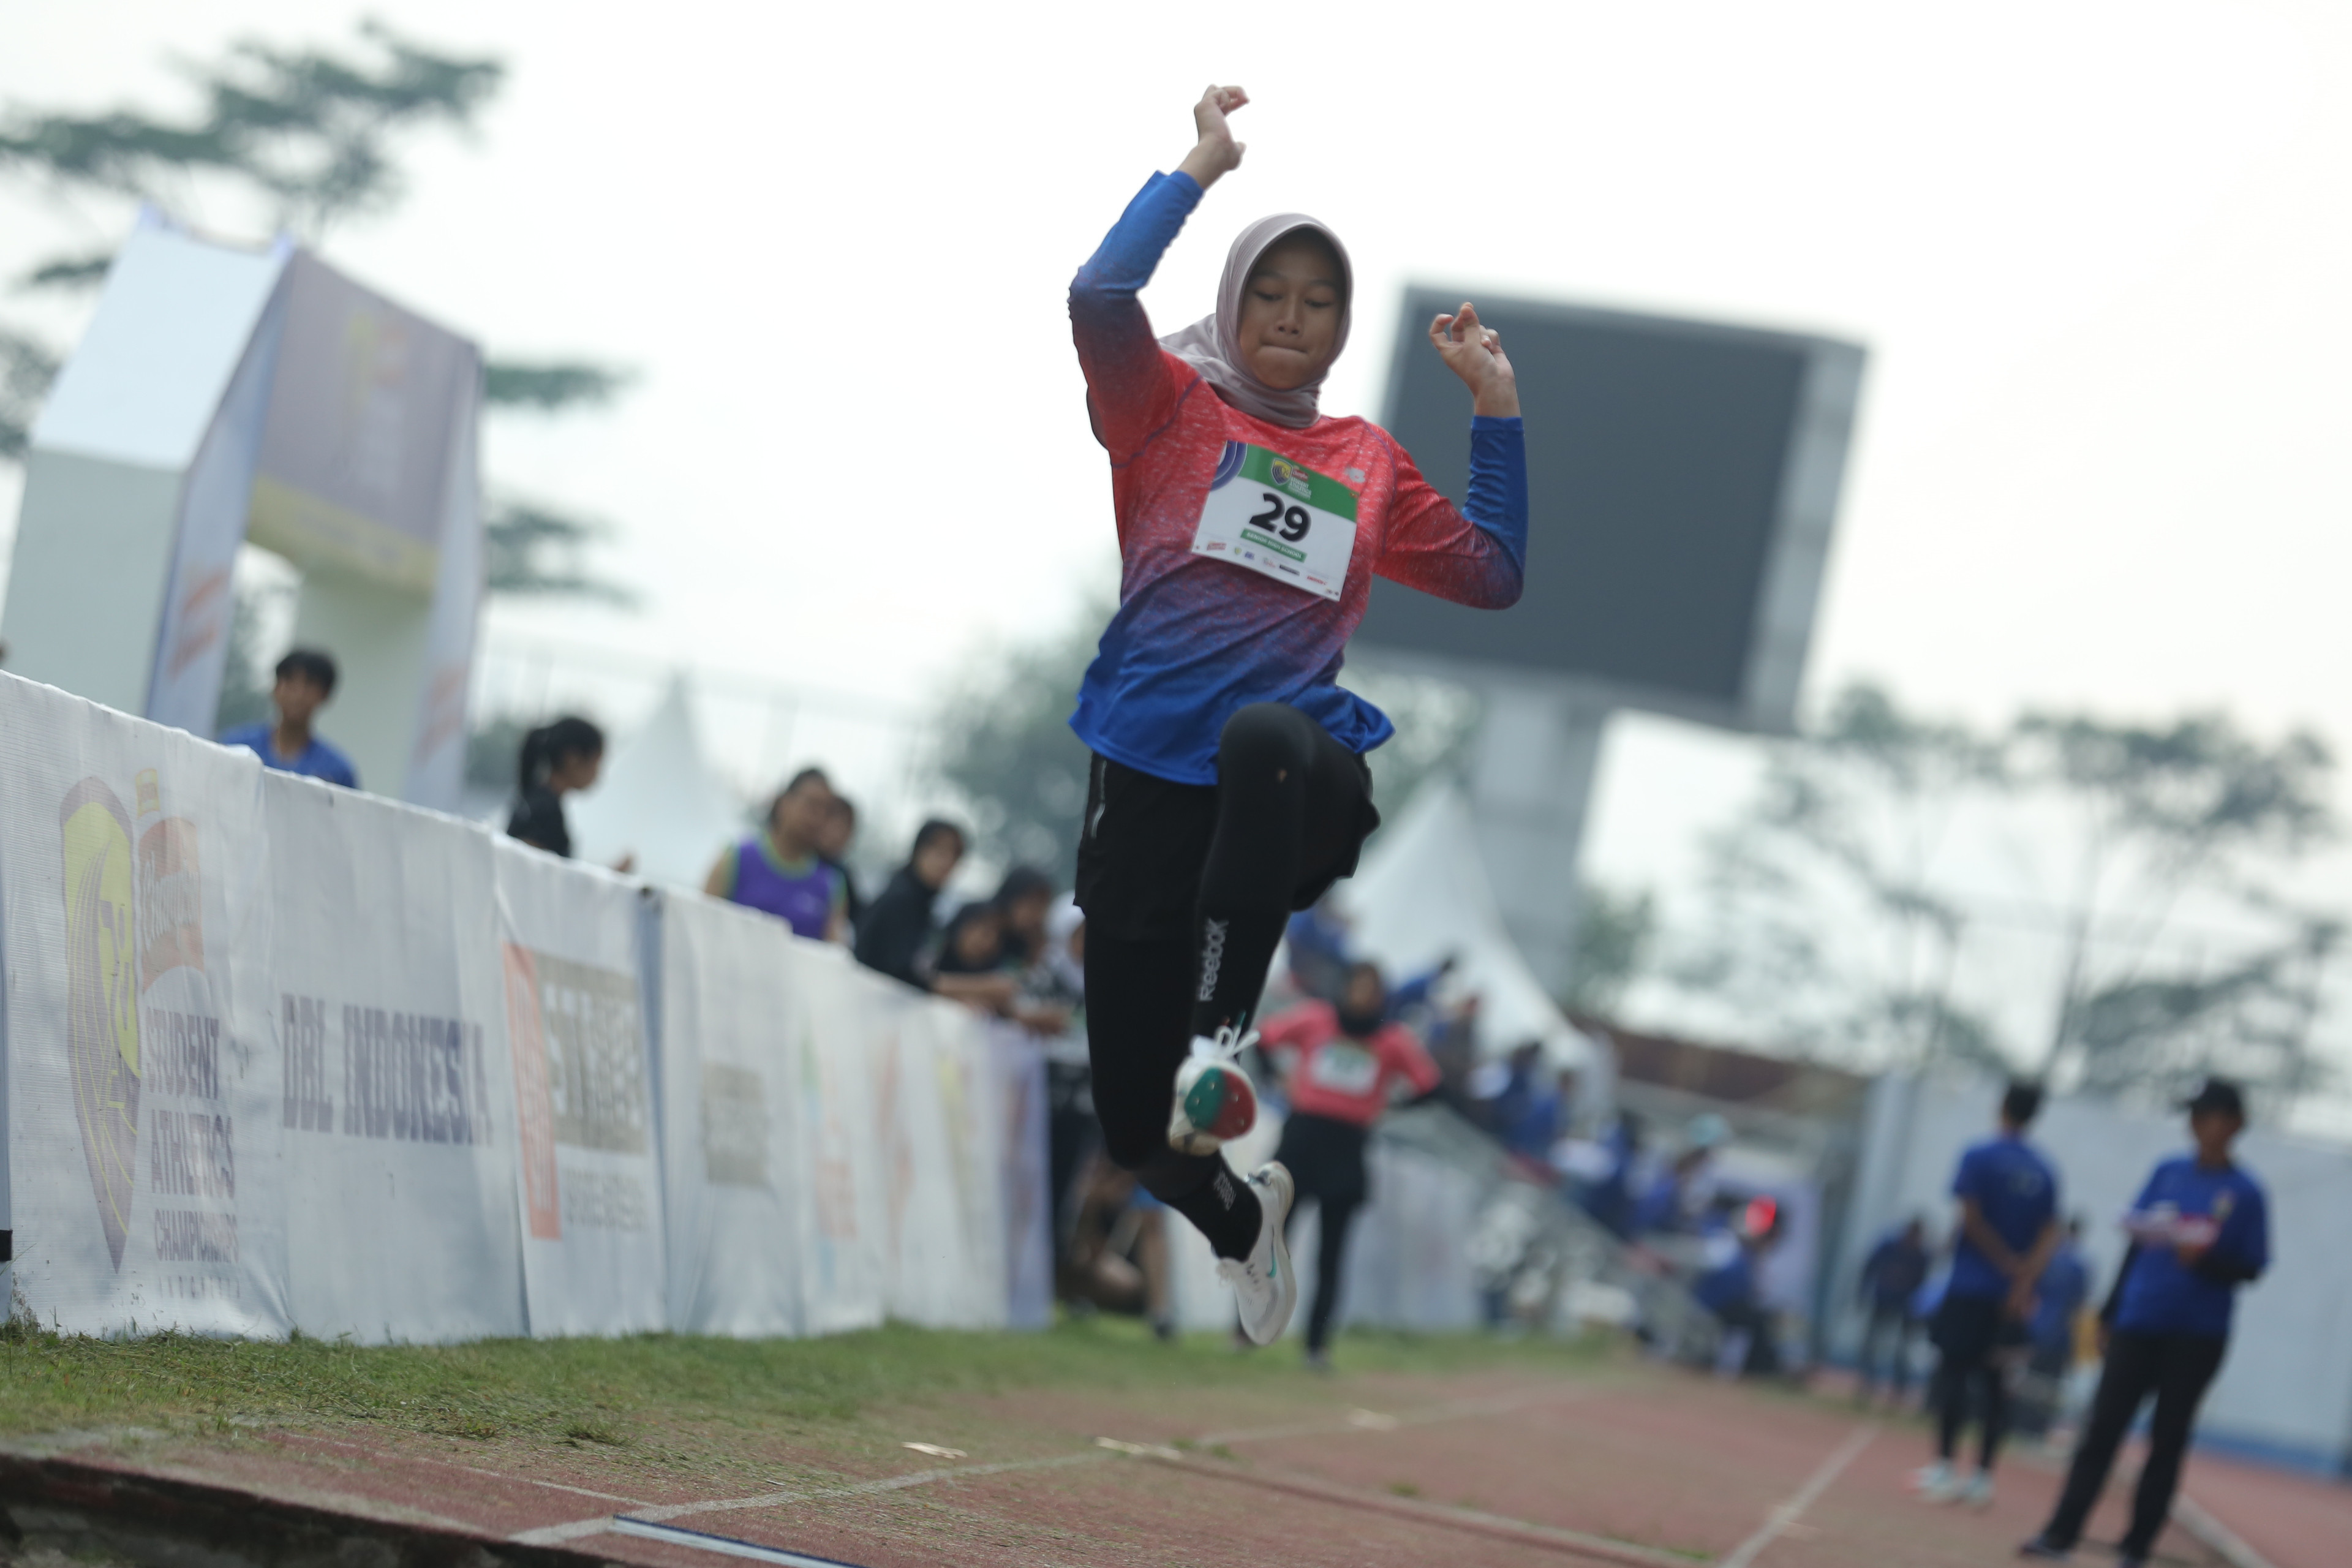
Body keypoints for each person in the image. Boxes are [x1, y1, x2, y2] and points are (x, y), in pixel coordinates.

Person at [1066, 83, 1528, 1347]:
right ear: (1231, 305)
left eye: (1319, 303)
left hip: (1289, 785)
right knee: (1130, 1130)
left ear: (1341, 330)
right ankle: (1234, 1213)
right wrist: (1195, 171)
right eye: (1270, 294)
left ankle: (1226, 1042)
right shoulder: (1163, 410)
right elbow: (1099, 298)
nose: (1292, 319)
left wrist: (1495, 408)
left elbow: (1492, 571)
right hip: (1145, 790)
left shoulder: (1366, 462)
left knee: (1265, 732)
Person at [2020, 1079, 2270, 1568]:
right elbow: (2136, 1242)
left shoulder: (2247, 1193)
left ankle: (2136, 1548)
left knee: (2166, 1441)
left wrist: (2205, 1258)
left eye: (2208, 1115)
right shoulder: (2168, 1171)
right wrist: (2111, 1311)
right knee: (2101, 1430)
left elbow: (2252, 1267)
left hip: (2197, 1334)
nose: (2196, 1125)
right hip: (2139, 1319)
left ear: (2235, 1124)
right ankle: (2061, 1533)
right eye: (2193, 1116)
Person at [1253, 962, 1441, 1368]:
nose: (1362, 995)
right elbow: (1263, 1039)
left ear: (1381, 997)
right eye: (1356, 985)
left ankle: (1316, 1345)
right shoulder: (1316, 1017)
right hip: (1302, 1138)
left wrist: (1390, 1107)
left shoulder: (1392, 1041)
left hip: (1348, 1146)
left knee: (1332, 1253)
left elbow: (1431, 1086)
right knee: (1273, 1239)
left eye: (1371, 989)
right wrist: (1277, 1079)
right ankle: (1248, 1329)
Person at [1916, 1080, 2060, 1509]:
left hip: (1970, 1287)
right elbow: (2051, 1231)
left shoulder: (1979, 1155)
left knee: (1954, 1374)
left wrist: (2002, 1263)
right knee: (1997, 1384)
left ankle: (1944, 1467)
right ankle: (1982, 1478)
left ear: (2002, 1106)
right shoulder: (2044, 1169)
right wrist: (2023, 1277)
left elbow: (1971, 1218)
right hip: (2010, 1300)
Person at [704, 768, 848, 943]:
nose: (816, 817)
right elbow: (701, 926)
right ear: (784, 802)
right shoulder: (737, 858)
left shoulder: (831, 886)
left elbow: (834, 953)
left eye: (825, 811)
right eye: (811, 805)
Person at [219, 649, 358, 788]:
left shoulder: (337, 772)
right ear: (275, 688)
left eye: (309, 684)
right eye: (290, 681)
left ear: (325, 695)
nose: (297, 694)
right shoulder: (237, 747)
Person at [854, 819, 967, 986]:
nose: (947, 862)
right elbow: (902, 974)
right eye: (939, 851)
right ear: (918, 849)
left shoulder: (924, 905)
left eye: (955, 855)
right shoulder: (901, 899)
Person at [2015, 1217, 2090, 1440]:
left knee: (2031, 1379)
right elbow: (2078, 1303)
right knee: (2049, 1384)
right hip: (2061, 1332)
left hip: (2039, 1327)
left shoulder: (2050, 1260)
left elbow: (2032, 1290)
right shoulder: (2079, 1266)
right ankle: (2036, 1428)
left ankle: (2020, 1423)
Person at [1856, 1217, 1931, 1407]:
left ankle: (1899, 1390)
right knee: (1871, 1344)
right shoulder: (1889, 1247)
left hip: (1905, 1307)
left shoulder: (1921, 1256)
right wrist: (1863, 1292)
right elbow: (1870, 1268)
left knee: (1902, 1350)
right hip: (1883, 1301)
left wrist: (1917, 1309)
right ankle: (1868, 1383)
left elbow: (1922, 1284)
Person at [506, 717, 605, 859]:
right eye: (596, 763)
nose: (597, 774)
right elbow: (529, 870)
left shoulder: (537, 801)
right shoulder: (545, 811)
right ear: (572, 758)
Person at [816, 792, 866, 930]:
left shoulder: (841, 875)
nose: (839, 834)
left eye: (846, 828)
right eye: (835, 825)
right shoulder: (803, 861)